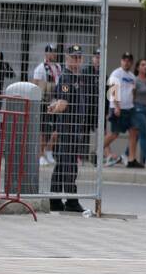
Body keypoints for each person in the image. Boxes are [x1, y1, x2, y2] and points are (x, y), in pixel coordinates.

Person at [48, 44, 95, 213]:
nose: (77, 60)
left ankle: (54, 200)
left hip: (76, 127)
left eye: (79, 57)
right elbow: (63, 101)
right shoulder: (66, 77)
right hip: (68, 127)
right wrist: (55, 107)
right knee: (68, 164)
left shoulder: (78, 77)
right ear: (67, 59)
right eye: (73, 57)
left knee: (63, 163)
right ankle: (71, 200)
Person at [104, 52, 139, 166]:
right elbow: (112, 91)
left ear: (131, 63)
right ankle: (98, 152)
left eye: (129, 60)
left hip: (129, 108)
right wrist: (117, 107)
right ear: (121, 61)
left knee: (134, 131)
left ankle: (131, 159)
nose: (126, 62)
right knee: (115, 133)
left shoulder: (132, 76)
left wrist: (133, 102)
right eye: (124, 60)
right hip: (118, 108)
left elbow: (132, 92)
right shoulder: (116, 74)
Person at [31, 44, 61, 166]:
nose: (53, 54)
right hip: (45, 102)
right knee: (43, 130)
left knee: (56, 129)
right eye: (51, 52)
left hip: (56, 101)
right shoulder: (41, 68)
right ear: (46, 54)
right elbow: (36, 84)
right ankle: (41, 154)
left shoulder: (58, 67)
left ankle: (49, 150)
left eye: (54, 52)